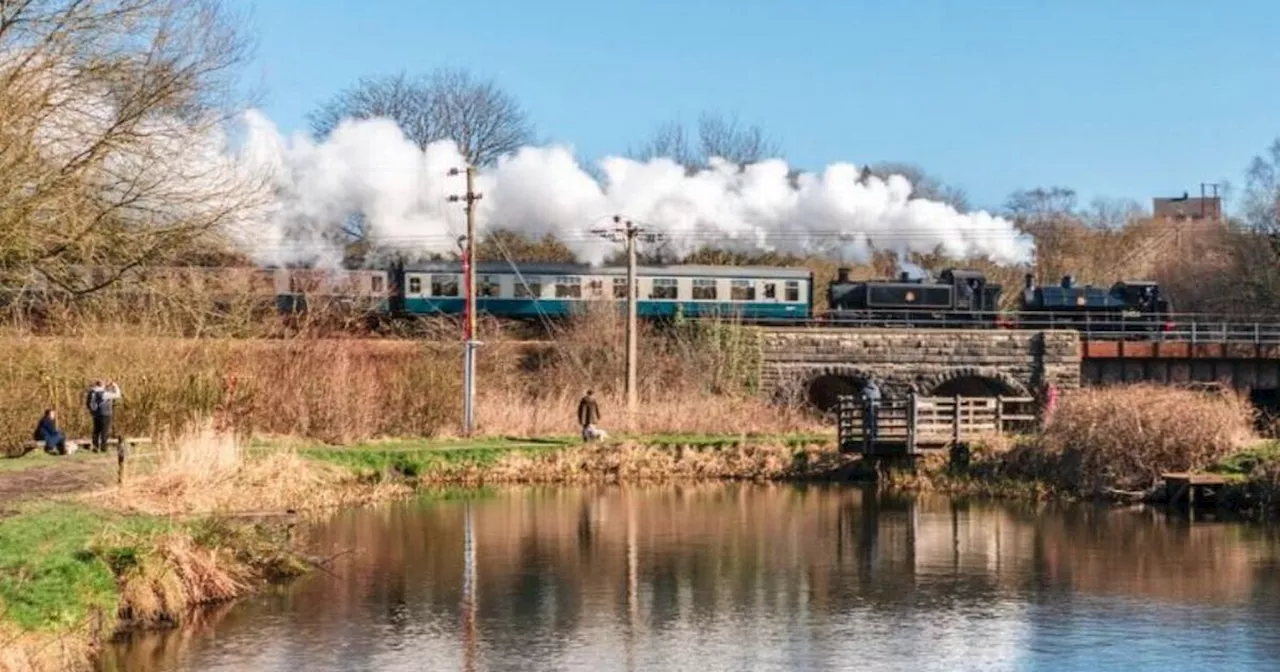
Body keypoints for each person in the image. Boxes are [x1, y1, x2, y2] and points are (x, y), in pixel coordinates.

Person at [86, 380, 122, 453]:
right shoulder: (104, 394)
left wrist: (92, 411)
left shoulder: (92, 392)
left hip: (95, 414)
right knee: (104, 431)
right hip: (105, 414)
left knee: (96, 431)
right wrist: (115, 386)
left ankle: (95, 447)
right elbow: (118, 395)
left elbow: (88, 403)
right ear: (102, 386)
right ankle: (103, 448)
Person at [861, 380, 881, 450]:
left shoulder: (865, 389)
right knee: (875, 421)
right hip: (876, 407)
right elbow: (879, 397)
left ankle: (870, 435)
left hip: (868, 408)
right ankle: (875, 435)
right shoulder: (876, 388)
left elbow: (863, 398)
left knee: (868, 422)